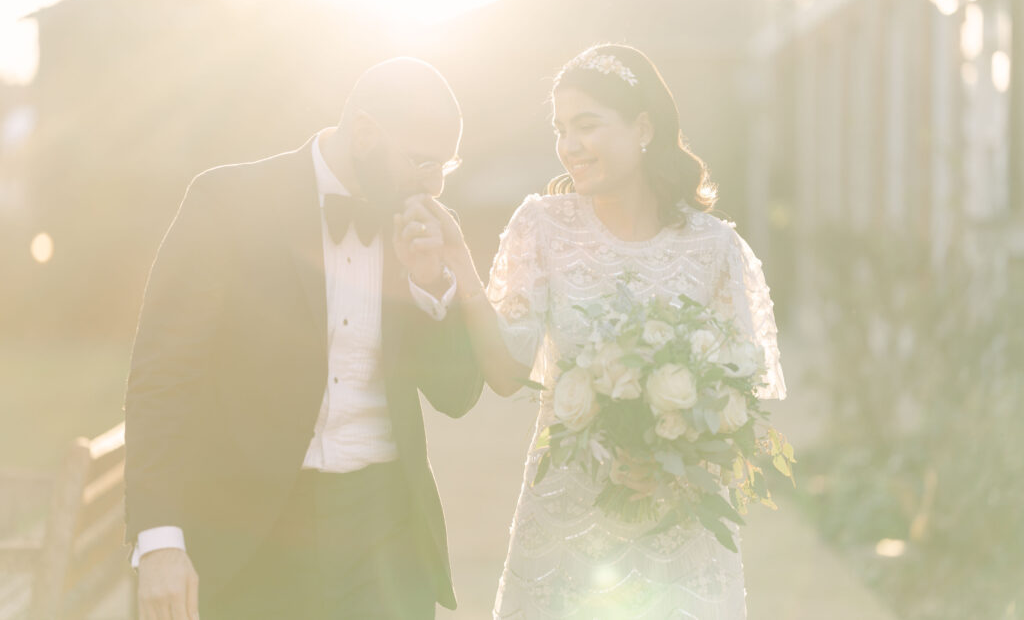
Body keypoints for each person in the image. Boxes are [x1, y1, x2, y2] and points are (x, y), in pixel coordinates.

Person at [423, 44, 787, 617]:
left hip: (679, 527)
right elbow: (505, 372)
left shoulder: (713, 247)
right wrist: (458, 261)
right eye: (561, 129)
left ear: (643, 127)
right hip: (569, 526)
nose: (569, 146)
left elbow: (736, 398)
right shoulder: (540, 226)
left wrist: (675, 459)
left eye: (586, 126)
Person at [124, 57, 484, 619]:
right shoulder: (227, 201)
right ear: (365, 133)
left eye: (445, 168)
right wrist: (160, 541)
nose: (433, 185)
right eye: (423, 162)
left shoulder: (413, 227)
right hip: (248, 534)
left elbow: (458, 396)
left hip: (384, 537)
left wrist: (431, 284)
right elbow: (163, 376)